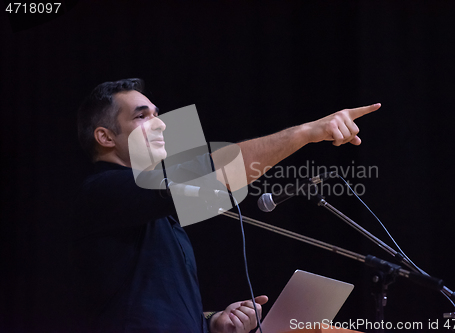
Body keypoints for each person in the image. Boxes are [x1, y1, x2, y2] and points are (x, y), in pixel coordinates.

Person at [73, 78, 380, 333]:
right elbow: (218, 170)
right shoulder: (102, 190)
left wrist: (213, 322)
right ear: (105, 136)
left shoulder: (156, 213)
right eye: (142, 116)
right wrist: (307, 133)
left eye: (158, 114)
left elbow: (157, 308)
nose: (161, 125)